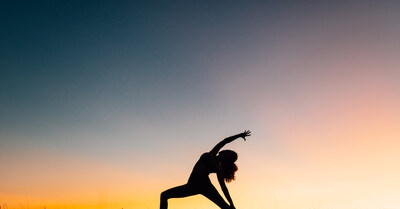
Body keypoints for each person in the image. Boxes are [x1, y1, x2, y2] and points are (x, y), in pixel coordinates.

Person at [160, 130, 251, 209]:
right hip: (196, 185)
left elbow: (223, 187)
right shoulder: (216, 164)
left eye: (228, 151)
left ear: (226, 157)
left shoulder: (213, 158)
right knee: (164, 195)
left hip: (199, 185)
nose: (226, 149)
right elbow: (225, 141)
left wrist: (231, 204)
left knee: (164, 195)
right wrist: (239, 135)